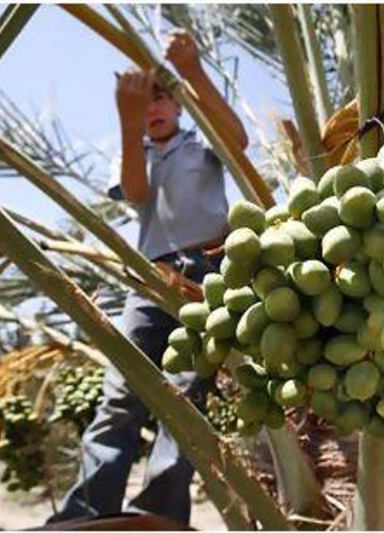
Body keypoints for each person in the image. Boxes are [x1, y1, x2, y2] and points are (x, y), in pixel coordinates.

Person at [49, 30, 247, 527]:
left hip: (207, 276)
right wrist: (127, 121)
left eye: (162, 97)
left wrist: (194, 71)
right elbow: (136, 192)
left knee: (183, 400)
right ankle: (87, 512)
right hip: (149, 276)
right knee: (121, 394)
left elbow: (238, 142)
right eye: (146, 102)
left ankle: (158, 515)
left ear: (180, 106)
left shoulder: (201, 147)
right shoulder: (138, 152)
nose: (154, 109)